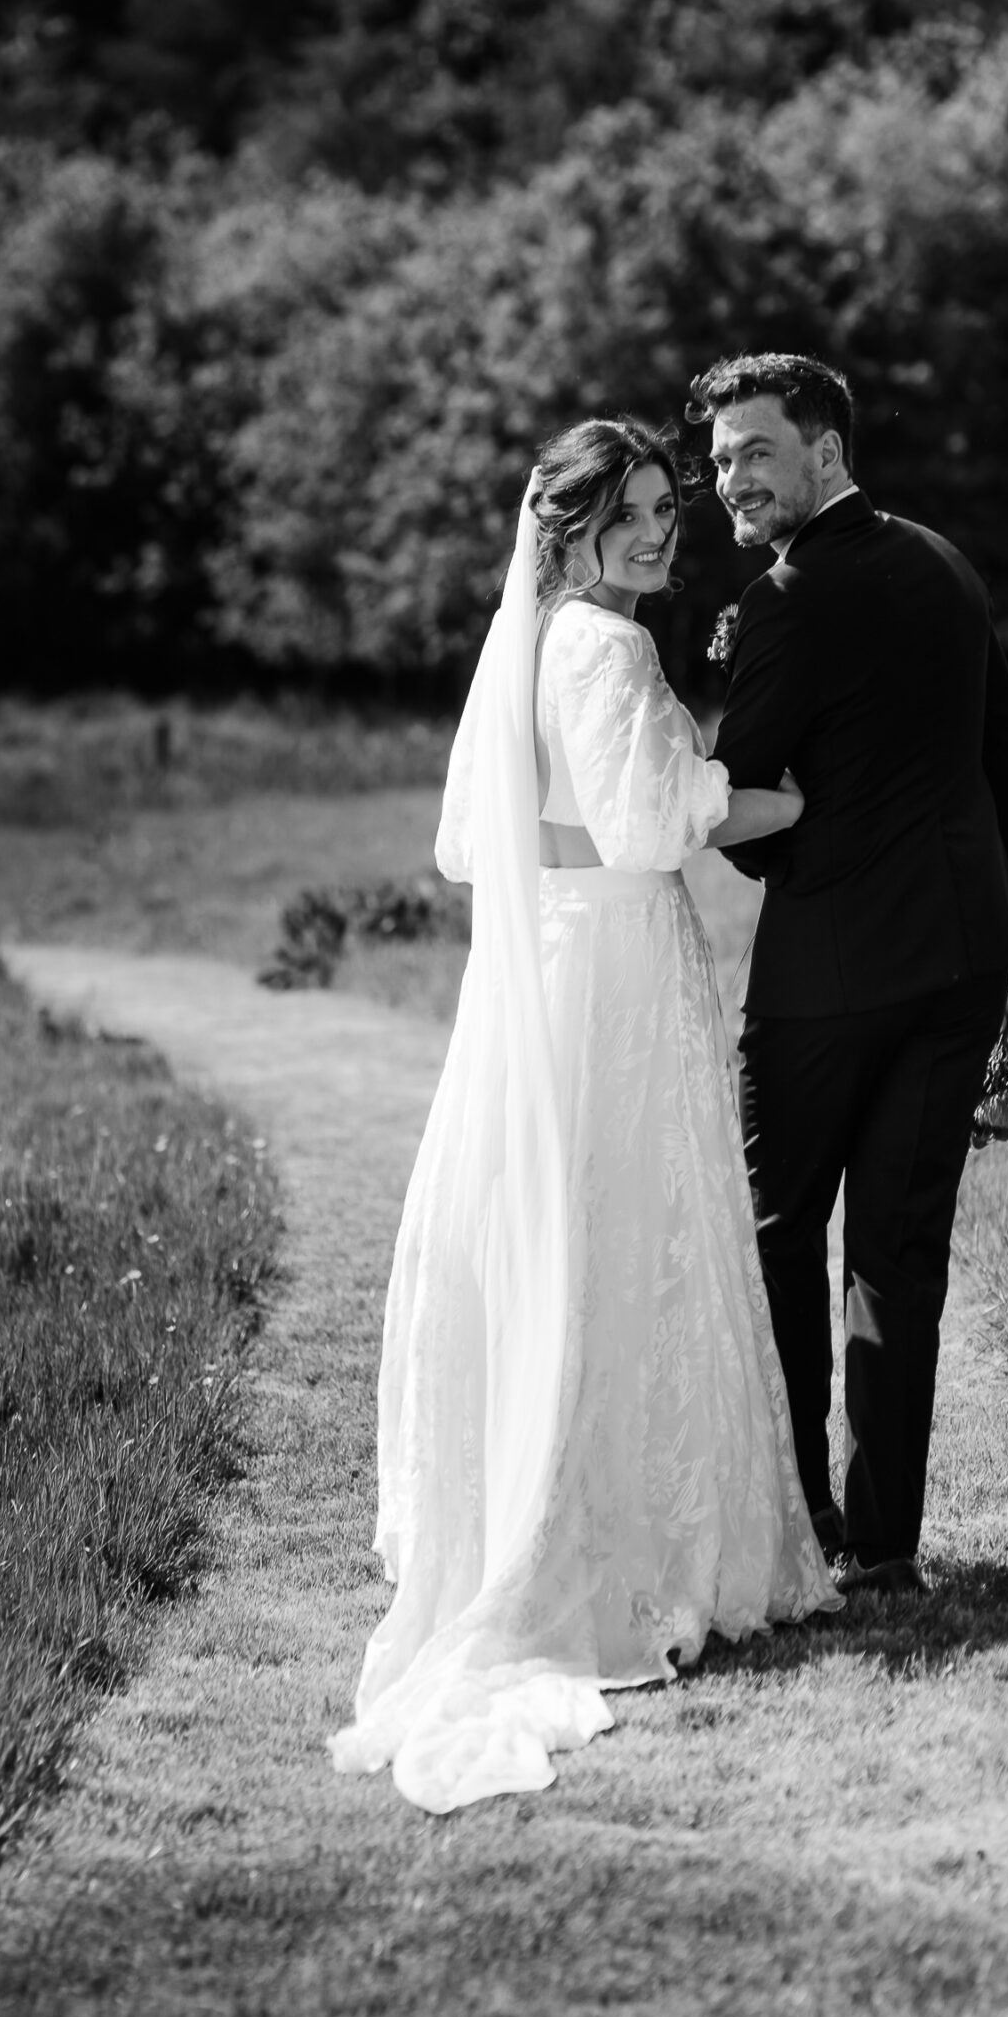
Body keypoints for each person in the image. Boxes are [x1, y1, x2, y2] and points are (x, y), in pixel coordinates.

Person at [330, 417, 840, 1816]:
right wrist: (773, 798)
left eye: (667, 508)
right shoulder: (605, 647)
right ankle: (628, 1548)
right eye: (630, 513)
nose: (658, 532)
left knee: (559, 1236)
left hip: (538, 968)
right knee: (633, 1235)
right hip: (613, 968)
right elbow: (643, 824)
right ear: (565, 525)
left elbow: (459, 843)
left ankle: (536, 1516)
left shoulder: (526, 639)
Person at [688, 353, 1008, 1595]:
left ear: (826, 450)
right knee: (900, 1249)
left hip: (826, 978)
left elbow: (741, 798)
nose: (731, 477)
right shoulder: (946, 561)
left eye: (756, 451)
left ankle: (805, 1524)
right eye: (723, 456)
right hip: (962, 960)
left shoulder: (789, 597)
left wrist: (789, 848)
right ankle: (885, 1544)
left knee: (784, 1236)